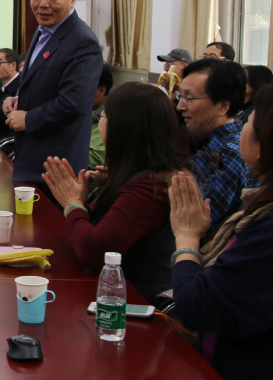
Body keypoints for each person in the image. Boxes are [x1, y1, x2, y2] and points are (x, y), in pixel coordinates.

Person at [169, 81, 273, 380]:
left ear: (270, 145)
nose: (241, 126)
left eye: (250, 122)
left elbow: (198, 307)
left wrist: (187, 238)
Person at [42, 82, 183, 304]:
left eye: (103, 117)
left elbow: (92, 251)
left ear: (122, 127)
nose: (99, 122)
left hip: (132, 304)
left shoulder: (147, 188)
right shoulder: (141, 172)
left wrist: (72, 202)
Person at [3, 0, 103, 191]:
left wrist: (28, 119)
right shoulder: (43, 31)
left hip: (57, 166)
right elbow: (46, 85)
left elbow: (74, 103)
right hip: (33, 159)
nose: (43, 4)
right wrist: (19, 100)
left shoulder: (82, 41)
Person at [178, 58, 251, 230]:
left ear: (222, 106)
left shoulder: (229, 152)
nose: (180, 106)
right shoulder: (201, 139)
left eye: (189, 98)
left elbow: (198, 220)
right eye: (180, 96)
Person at [88, 63, 113, 171]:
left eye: (83, 87)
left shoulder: (108, 117)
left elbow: (96, 160)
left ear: (102, 90)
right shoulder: (83, 111)